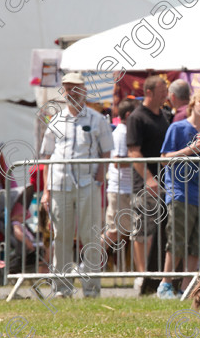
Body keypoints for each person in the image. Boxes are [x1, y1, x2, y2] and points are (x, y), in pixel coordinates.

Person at [40, 72, 113, 298]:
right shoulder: (56, 120)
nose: (72, 92)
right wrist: (45, 191)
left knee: (90, 236)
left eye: (76, 88)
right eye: (68, 88)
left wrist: (98, 180)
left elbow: (106, 152)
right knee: (61, 236)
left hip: (87, 184)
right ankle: (62, 289)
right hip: (59, 184)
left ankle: (91, 290)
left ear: (84, 90)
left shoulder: (97, 119)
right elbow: (47, 157)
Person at [156, 89, 200, 298]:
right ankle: (165, 284)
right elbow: (165, 158)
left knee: (196, 244)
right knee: (176, 240)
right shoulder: (177, 127)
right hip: (179, 192)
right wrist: (191, 149)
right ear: (192, 103)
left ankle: (186, 287)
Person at [127, 75, 171, 294]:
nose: (166, 94)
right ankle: (142, 276)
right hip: (144, 186)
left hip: (165, 185)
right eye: (162, 90)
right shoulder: (137, 117)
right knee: (142, 230)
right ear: (149, 92)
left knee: (161, 231)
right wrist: (148, 178)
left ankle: (156, 279)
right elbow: (134, 152)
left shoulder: (164, 116)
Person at [104, 98, 138, 259]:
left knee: (124, 231)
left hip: (126, 189)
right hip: (120, 189)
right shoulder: (122, 132)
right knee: (115, 231)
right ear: (129, 114)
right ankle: (88, 261)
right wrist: (138, 161)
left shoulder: (125, 131)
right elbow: (117, 161)